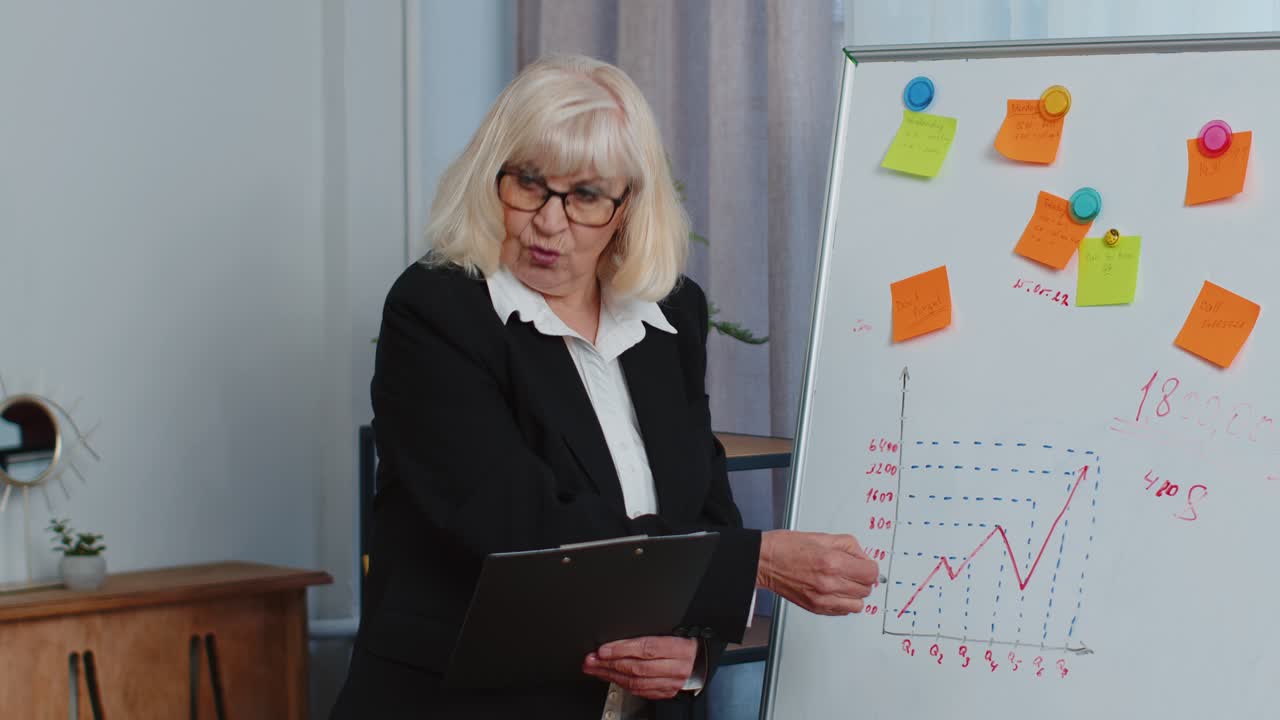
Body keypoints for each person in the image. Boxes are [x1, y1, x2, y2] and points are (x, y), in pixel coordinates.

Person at [330, 54, 879, 720]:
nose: (550, 221)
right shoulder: (435, 310)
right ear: (490, 177)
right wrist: (749, 562)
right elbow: (522, 525)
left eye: (586, 196)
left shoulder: (671, 314)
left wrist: (693, 651)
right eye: (529, 184)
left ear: (628, 207)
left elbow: (704, 505)